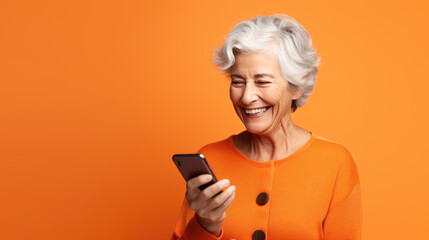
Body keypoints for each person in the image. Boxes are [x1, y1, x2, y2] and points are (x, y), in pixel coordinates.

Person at [171, 14, 362, 240]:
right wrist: (205, 224)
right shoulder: (211, 158)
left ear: (298, 85)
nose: (247, 97)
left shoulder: (335, 163)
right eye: (237, 81)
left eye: (262, 82)